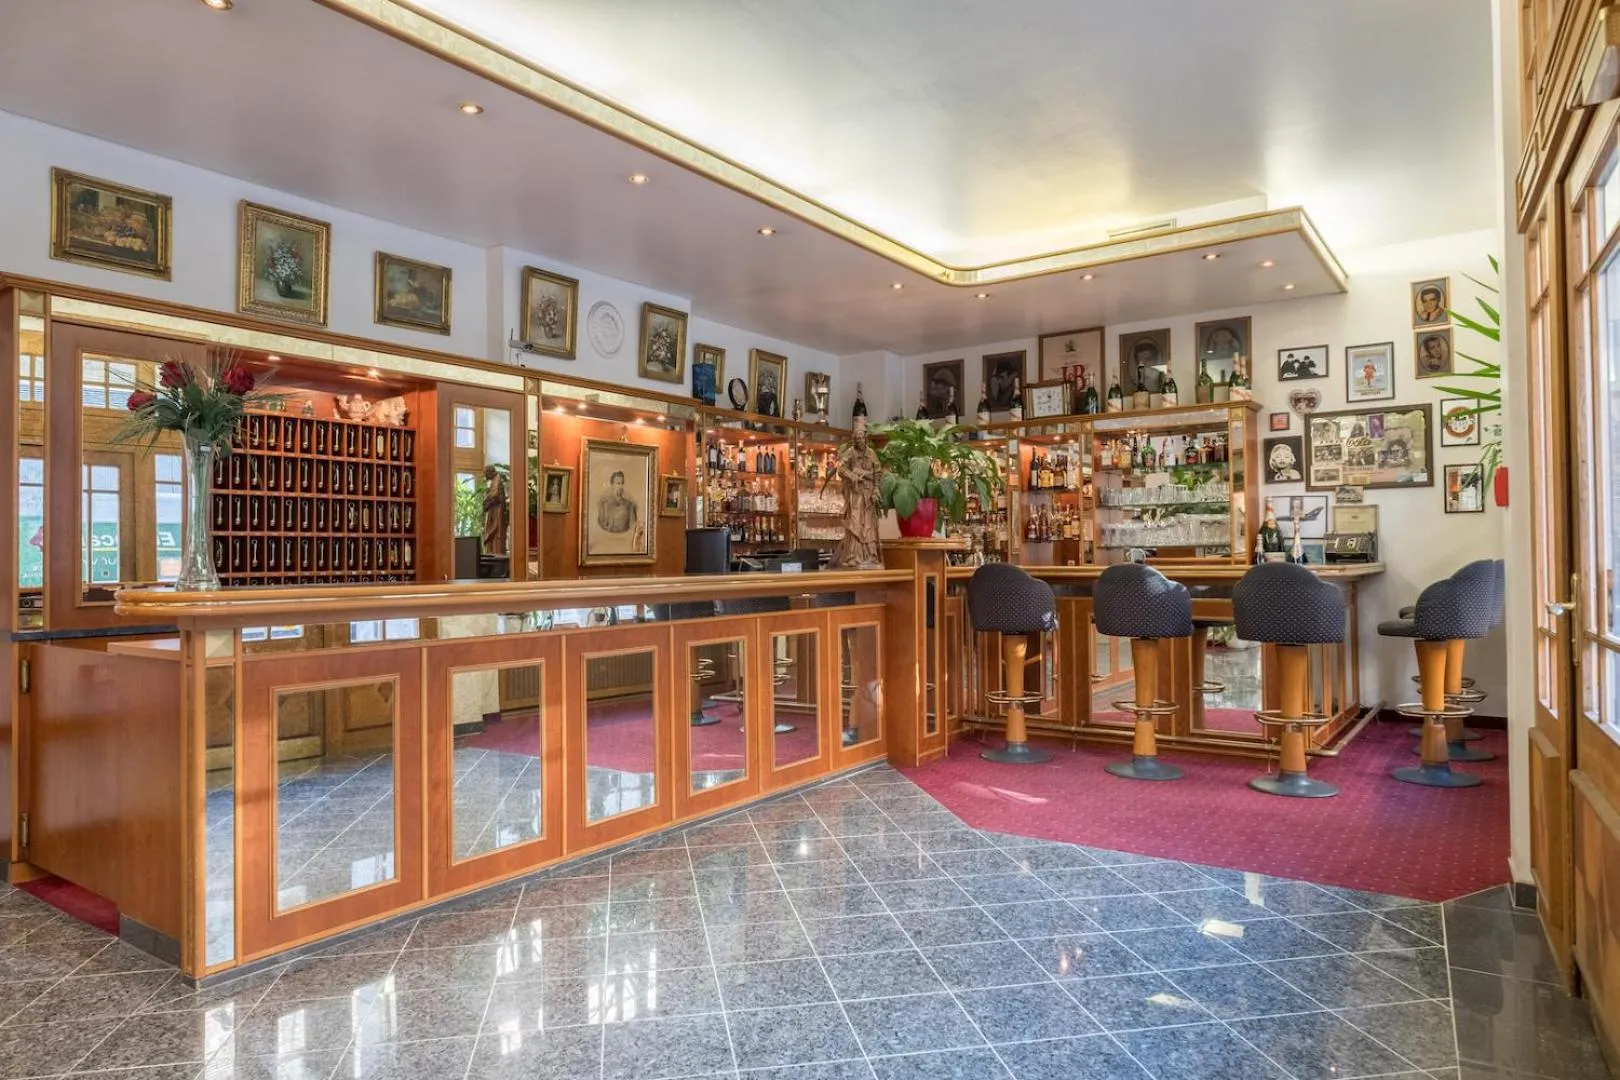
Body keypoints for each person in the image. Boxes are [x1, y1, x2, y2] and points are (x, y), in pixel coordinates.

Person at [834, 417, 882, 569]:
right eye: (857, 438)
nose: (860, 440)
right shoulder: (850, 452)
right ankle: (853, 555)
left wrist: (875, 488)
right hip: (855, 494)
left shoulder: (871, 453)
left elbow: (878, 472)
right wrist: (853, 475)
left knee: (868, 524)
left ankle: (870, 555)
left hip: (868, 495)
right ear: (854, 440)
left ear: (865, 438)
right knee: (855, 521)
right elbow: (841, 468)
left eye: (862, 437)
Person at [596, 469, 639, 535]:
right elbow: (600, 528)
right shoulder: (604, 505)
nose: (620, 486)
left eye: (622, 483)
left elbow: (633, 529)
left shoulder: (630, 506)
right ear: (612, 485)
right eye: (618, 483)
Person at [481, 465, 508, 556]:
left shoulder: (497, 479)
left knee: (496, 532)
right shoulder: (494, 480)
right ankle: (491, 552)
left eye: (486, 473)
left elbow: (496, 494)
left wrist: (487, 497)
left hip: (497, 511)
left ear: (490, 472)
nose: (485, 476)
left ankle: (496, 553)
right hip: (493, 510)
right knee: (491, 532)